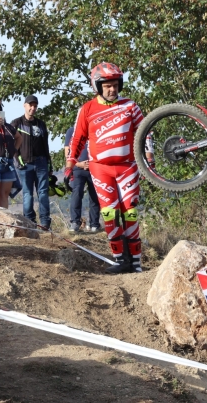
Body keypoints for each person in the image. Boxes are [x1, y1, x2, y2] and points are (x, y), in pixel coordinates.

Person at [65, 62, 144, 274]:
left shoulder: (130, 106)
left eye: (115, 85)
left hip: (127, 167)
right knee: (110, 213)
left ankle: (136, 262)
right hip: (100, 168)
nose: (112, 89)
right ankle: (120, 259)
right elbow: (77, 139)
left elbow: (146, 133)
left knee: (130, 212)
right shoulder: (87, 109)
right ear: (98, 86)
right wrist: (69, 167)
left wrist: (149, 164)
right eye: (108, 86)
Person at [10, 95, 52, 229]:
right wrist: (17, 159)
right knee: (27, 193)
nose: (33, 108)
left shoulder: (41, 124)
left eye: (35, 106)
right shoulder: (16, 123)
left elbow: (46, 145)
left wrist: (49, 163)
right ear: (24, 106)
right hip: (25, 164)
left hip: (41, 162)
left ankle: (45, 222)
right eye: (30, 105)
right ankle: (29, 222)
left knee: (43, 192)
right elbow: (11, 144)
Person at [64, 126, 101, 233]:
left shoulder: (97, 129)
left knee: (94, 196)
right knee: (77, 194)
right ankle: (75, 222)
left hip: (95, 169)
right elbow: (67, 153)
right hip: (77, 169)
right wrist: (78, 164)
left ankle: (94, 224)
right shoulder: (71, 130)